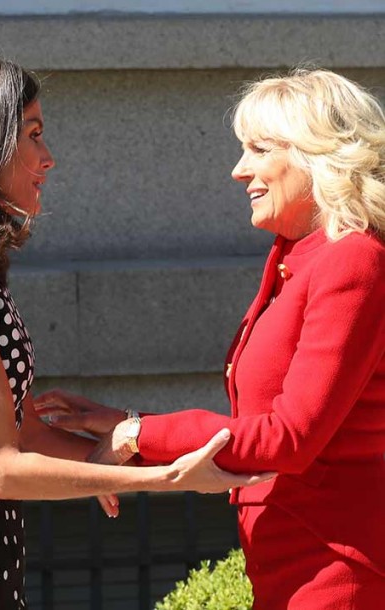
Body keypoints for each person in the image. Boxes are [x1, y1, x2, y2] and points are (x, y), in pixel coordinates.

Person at [0, 54, 269, 609]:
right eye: (33, 135)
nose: (49, 158)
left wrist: (117, 456)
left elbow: (24, 433)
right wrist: (168, 481)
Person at [39, 68, 385, 609]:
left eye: (258, 149)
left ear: (318, 155)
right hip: (290, 563)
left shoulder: (353, 260)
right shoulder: (297, 253)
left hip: (338, 570)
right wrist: (128, 423)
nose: (238, 169)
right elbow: (258, 423)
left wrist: (137, 434)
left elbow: (288, 438)